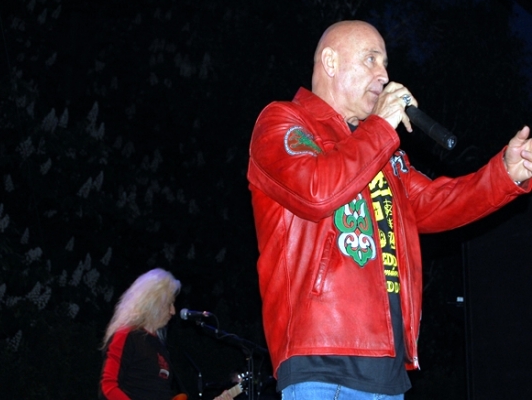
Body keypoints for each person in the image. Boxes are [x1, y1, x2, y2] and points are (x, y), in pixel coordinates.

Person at [246, 20, 532, 399]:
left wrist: (505, 174)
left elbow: (433, 203)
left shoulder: (380, 149)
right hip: (322, 360)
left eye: (385, 63)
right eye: (371, 59)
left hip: (388, 370)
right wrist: (381, 127)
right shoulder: (282, 122)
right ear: (330, 62)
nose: (383, 75)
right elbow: (316, 193)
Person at [99, 268, 235, 400]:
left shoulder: (161, 347)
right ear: (154, 303)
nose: (173, 311)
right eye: (169, 304)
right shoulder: (125, 335)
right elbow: (108, 388)